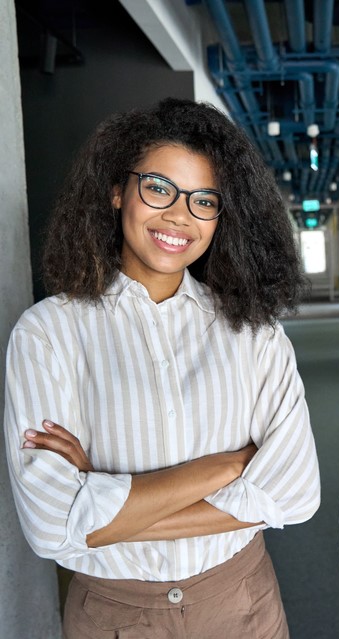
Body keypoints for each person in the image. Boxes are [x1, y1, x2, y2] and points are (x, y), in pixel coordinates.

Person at [4, 98, 320, 638]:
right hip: (113, 616)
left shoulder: (253, 331)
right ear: (116, 190)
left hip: (243, 602)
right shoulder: (48, 333)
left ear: (223, 215)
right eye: (158, 188)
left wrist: (101, 507)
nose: (179, 215)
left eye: (204, 200)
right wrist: (230, 466)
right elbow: (49, 527)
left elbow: (295, 494)